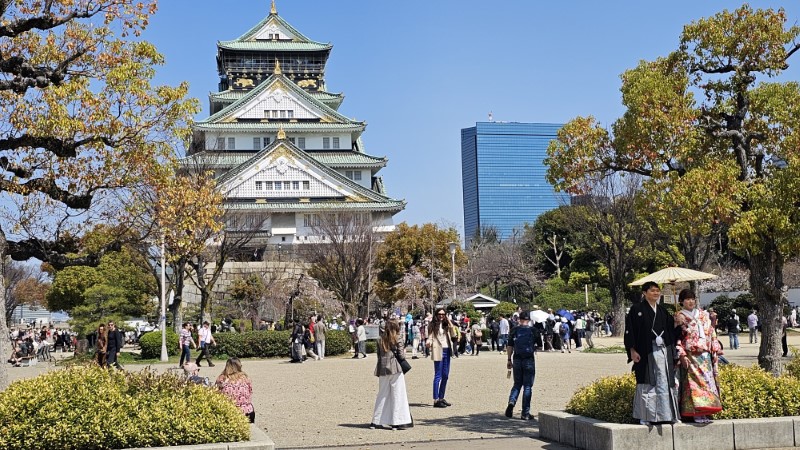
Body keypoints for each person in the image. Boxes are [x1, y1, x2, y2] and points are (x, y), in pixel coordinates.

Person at [624, 281, 680, 425]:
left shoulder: (662, 311)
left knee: (665, 381)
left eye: (657, 291)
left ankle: (667, 414)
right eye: (652, 290)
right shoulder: (637, 309)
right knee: (648, 381)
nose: (656, 293)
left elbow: (670, 330)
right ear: (644, 293)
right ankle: (646, 415)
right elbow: (630, 331)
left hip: (663, 351)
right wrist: (632, 350)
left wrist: (676, 322)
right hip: (645, 351)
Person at [674, 289, 723, 423]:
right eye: (687, 299)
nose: (690, 301)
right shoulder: (679, 316)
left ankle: (706, 411)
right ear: (681, 301)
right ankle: (696, 412)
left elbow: (711, 332)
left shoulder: (703, 314)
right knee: (693, 383)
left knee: (707, 382)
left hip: (705, 354)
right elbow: (677, 337)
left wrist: (715, 348)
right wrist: (682, 354)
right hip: (691, 354)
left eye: (692, 299)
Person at [370, 319, 413, 430]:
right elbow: (401, 356)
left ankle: (375, 421)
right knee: (397, 395)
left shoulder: (380, 339)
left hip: (382, 368)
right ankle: (396, 422)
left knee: (382, 394)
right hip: (395, 368)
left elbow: (378, 355)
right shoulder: (398, 338)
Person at [505, 311, 540, 420]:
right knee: (527, 386)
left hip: (517, 359)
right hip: (528, 359)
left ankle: (511, 402)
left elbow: (510, 346)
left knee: (517, 384)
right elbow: (539, 345)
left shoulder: (514, 330)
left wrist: (509, 359)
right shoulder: (534, 330)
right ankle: (525, 413)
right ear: (528, 320)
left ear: (519, 319)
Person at [426, 308, 456, 408]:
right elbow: (430, 336)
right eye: (439, 314)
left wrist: (449, 321)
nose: (441, 316)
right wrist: (428, 342)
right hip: (438, 350)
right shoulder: (432, 325)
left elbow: (454, 334)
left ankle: (441, 397)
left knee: (445, 375)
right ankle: (436, 399)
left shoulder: (446, 324)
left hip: (447, 350)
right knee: (438, 375)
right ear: (436, 314)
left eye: (443, 314)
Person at [216, 357, 255, 423]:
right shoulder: (245, 378)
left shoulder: (222, 379)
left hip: (229, 411)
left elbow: (216, 393)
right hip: (247, 411)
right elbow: (250, 391)